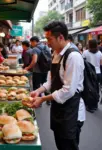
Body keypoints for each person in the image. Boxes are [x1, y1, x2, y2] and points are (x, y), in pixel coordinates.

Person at [29, 21, 85, 150]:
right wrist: (39, 90)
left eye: (49, 39)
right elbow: (51, 81)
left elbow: (68, 91)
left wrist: (42, 99)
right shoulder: (56, 54)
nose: (47, 42)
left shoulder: (73, 57)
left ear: (60, 37)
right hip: (58, 108)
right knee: (60, 144)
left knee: (68, 146)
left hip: (72, 111)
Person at [82, 39, 102, 112]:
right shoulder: (100, 53)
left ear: (89, 44)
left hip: (89, 74)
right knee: (96, 89)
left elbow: (82, 62)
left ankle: (90, 105)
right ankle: (95, 104)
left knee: (89, 89)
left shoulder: (85, 53)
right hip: (98, 73)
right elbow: (101, 64)